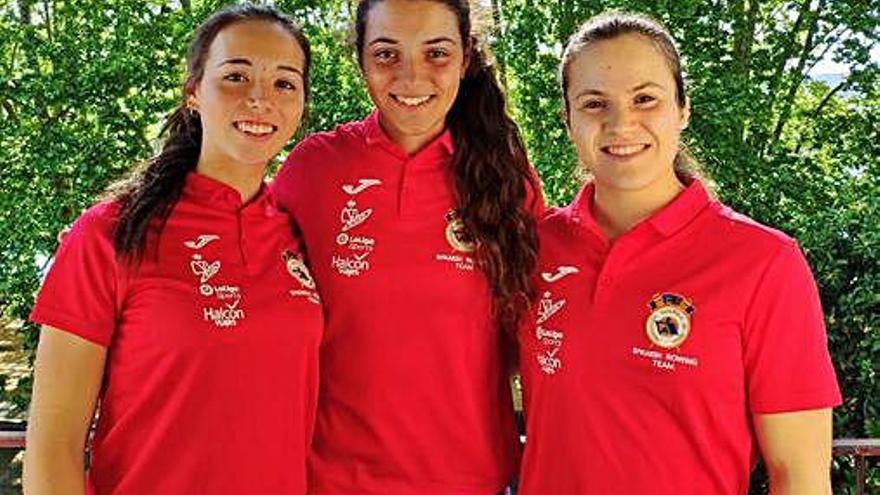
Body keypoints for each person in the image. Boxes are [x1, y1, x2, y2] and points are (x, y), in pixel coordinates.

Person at [518, 12, 841, 495]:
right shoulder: (531, 248)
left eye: (645, 99)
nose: (620, 123)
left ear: (683, 109)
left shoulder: (765, 262)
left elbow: (800, 478)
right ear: (567, 119)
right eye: (593, 103)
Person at [23, 5, 321, 495]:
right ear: (194, 95)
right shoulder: (111, 233)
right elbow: (53, 444)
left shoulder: (301, 234)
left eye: (284, 83)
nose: (259, 99)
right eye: (235, 76)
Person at [271, 0, 541, 493]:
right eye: (386, 54)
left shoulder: (507, 184)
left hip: (472, 480)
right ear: (360, 61)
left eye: (436, 53)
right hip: (331, 481)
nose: (411, 77)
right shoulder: (313, 171)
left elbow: (538, 342)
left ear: (465, 58)